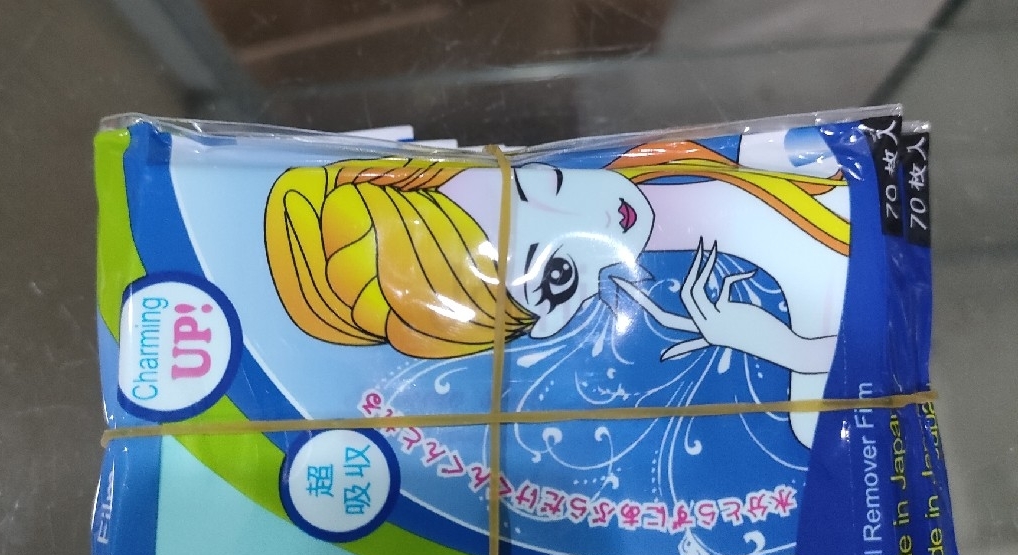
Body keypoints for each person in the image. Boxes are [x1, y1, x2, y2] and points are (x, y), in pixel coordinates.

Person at [264, 136, 850, 445]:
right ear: (549, 322)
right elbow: (855, 395)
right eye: (556, 274)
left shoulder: (766, 153)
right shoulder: (810, 410)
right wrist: (784, 348)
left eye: (534, 187)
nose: (590, 220)